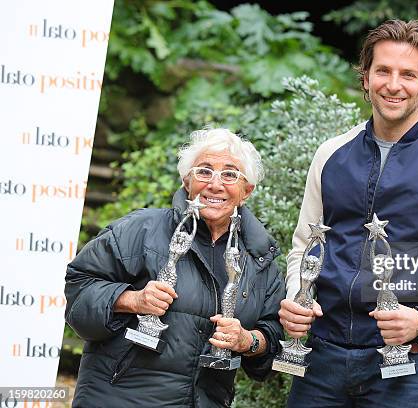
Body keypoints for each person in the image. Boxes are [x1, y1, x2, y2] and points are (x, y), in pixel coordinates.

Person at [279, 20, 418, 407]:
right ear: (365, 78)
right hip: (321, 359)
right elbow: (305, 246)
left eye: (408, 74)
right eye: (383, 71)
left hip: (406, 366)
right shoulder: (330, 154)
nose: (393, 85)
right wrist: (296, 297)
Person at [64, 128, 286, 407]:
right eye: (204, 171)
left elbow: (272, 336)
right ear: (186, 181)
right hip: (121, 397)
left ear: (246, 191)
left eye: (230, 174)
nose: (215, 184)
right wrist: (132, 299)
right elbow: (79, 289)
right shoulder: (141, 229)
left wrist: (247, 341)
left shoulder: (259, 256)